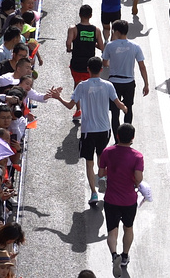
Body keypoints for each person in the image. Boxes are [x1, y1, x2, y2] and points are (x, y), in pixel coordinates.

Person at [53, 57, 127, 204]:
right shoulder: (108, 85)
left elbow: (70, 106)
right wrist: (125, 108)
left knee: (89, 162)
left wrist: (58, 97)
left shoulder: (81, 86)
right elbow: (118, 104)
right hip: (104, 130)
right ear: (101, 69)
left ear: (88, 69)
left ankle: (93, 193)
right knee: (102, 157)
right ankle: (103, 177)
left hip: (88, 131)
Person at [98, 124, 144, 277]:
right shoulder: (137, 156)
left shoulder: (107, 152)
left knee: (112, 231)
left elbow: (100, 173)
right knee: (128, 228)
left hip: (111, 198)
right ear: (132, 138)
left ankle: (114, 256)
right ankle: (124, 256)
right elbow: (138, 178)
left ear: (117, 136)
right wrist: (137, 184)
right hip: (129, 200)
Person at [102, 20, 149, 141]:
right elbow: (142, 66)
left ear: (116, 32)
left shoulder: (110, 46)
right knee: (128, 109)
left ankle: (117, 140)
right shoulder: (135, 46)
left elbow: (105, 63)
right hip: (129, 82)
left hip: (114, 83)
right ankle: (128, 138)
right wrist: (146, 84)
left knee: (115, 112)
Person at [66, 5, 104, 120]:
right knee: (91, 87)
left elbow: (68, 42)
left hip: (77, 63)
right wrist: (93, 43)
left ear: (79, 14)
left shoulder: (73, 29)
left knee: (78, 85)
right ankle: (91, 110)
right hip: (90, 65)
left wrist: (69, 49)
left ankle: (78, 111)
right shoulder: (96, 30)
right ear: (91, 16)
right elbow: (102, 47)